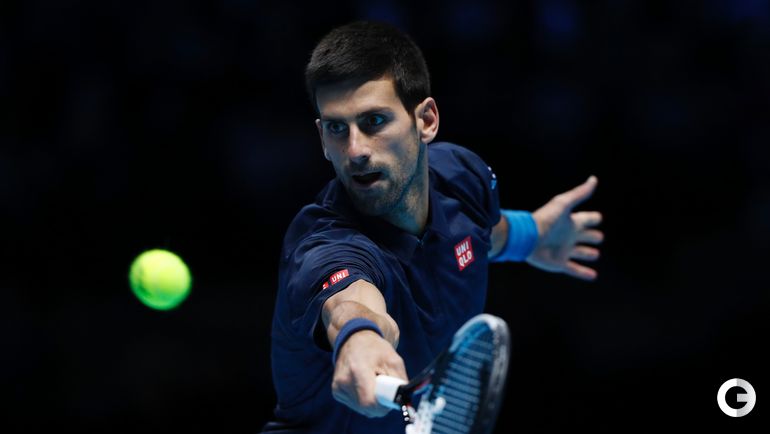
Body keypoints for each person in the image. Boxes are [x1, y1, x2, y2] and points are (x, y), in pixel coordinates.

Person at [262, 21, 603, 433]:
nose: (355, 151)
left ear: (425, 120)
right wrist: (359, 337)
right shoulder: (323, 242)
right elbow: (346, 300)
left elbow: (481, 234)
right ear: (322, 137)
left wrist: (531, 236)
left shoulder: (463, 178)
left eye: (374, 121)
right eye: (337, 128)